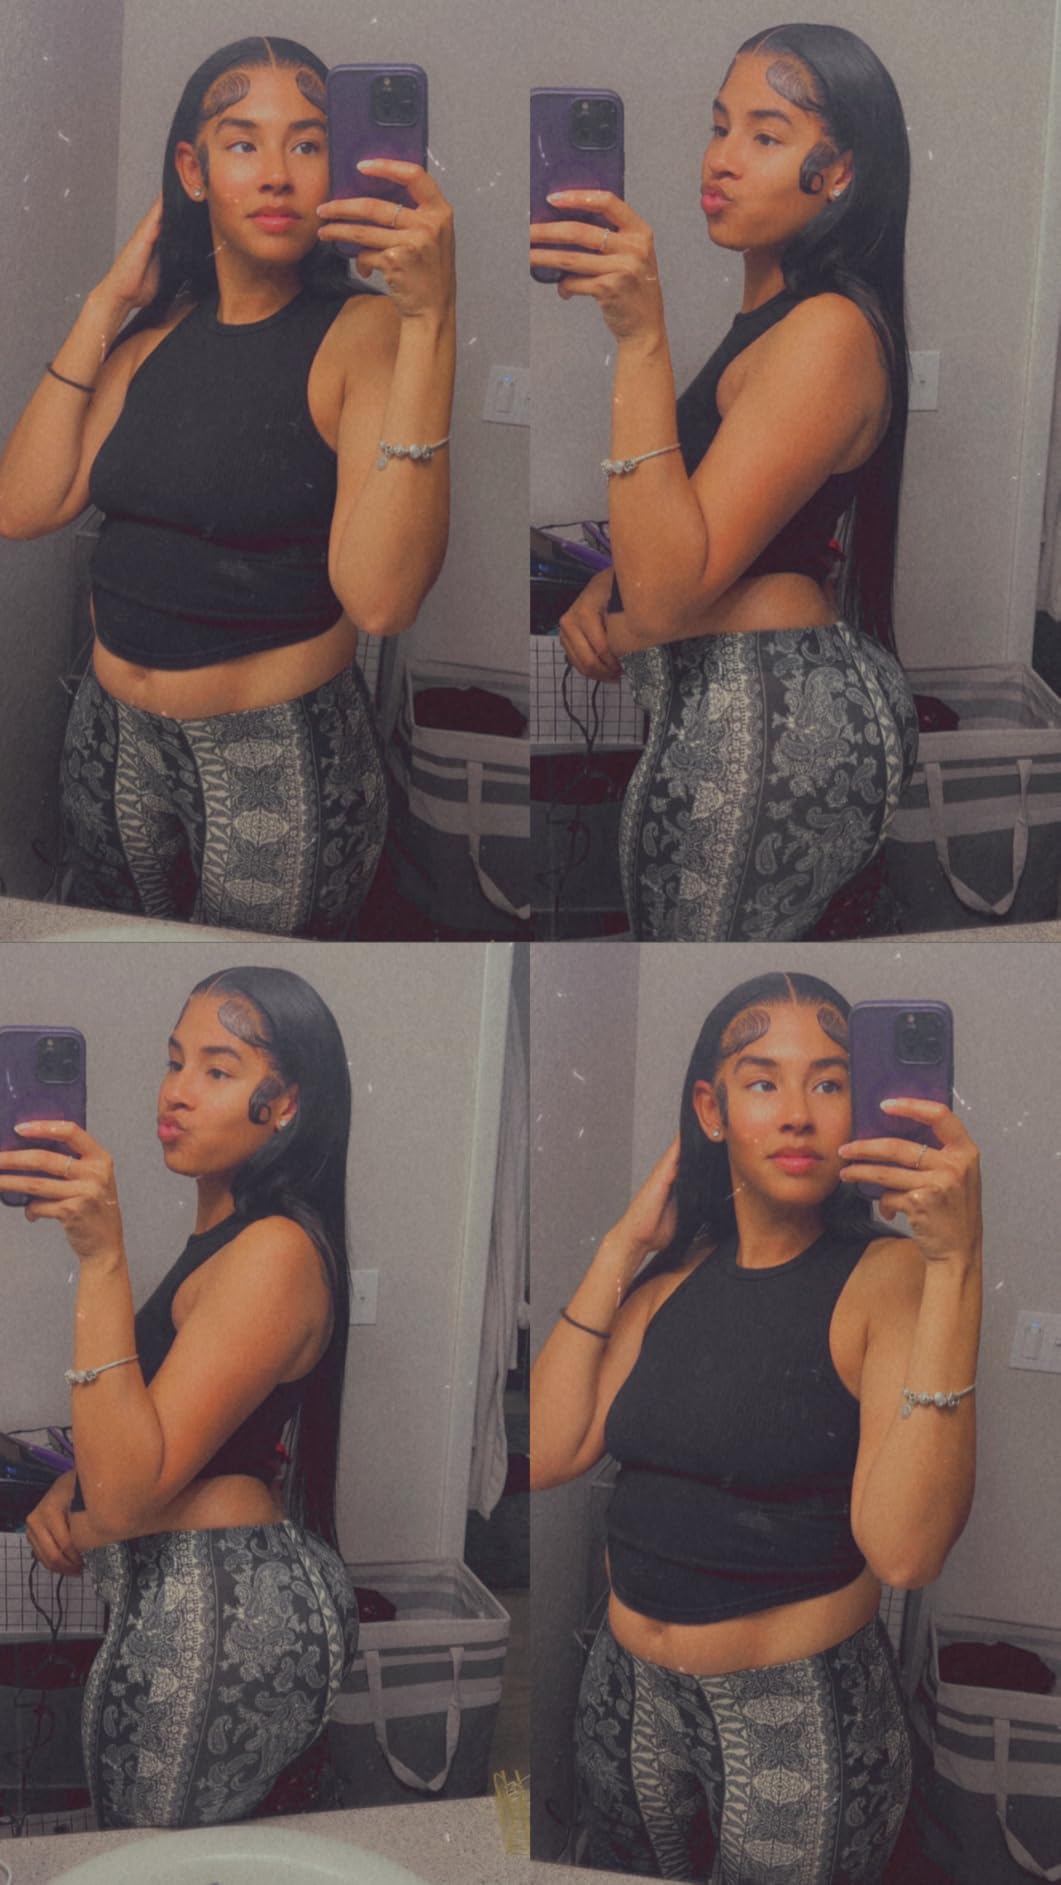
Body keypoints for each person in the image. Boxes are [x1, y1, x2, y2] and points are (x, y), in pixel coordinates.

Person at [531, 972, 982, 1883]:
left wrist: (957, 1263)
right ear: (712, 1108)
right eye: (763, 1080)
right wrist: (624, 1245)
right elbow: (545, 1449)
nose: (797, 1114)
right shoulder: (668, 1281)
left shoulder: (890, 1276)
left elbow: (904, 1554)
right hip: (625, 1696)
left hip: (798, 1720)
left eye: (828, 1081)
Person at [0, 35, 456, 937]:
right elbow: (24, 505)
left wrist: (432, 317)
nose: (277, 173)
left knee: (247, 970)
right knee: (110, 956)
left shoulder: (366, 333)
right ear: (193, 168)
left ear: (338, 165)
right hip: (110, 740)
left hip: (276, 764)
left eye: (308, 142)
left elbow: (382, 599)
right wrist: (106, 304)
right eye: (243, 142)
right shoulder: (153, 336)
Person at [531, 25, 919, 940]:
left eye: (766, 134)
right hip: (745, 703)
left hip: (764, 716)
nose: (722, 158)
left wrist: (640, 339)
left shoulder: (825, 332)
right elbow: (701, 530)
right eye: (719, 126)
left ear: (838, 172)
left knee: (690, 958)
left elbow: (669, 596)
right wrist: (607, 584)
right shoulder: (778, 323)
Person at [1, 966, 360, 1828]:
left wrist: (101, 1258)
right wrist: (74, 1484)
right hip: (198, 1596)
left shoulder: (274, 1251)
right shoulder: (229, 1242)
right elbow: (161, 1436)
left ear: (285, 1103)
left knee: (151, 1852)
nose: (177, 1090)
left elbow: (129, 1497)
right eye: (174, 1061)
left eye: (218, 1068)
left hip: (218, 1609)